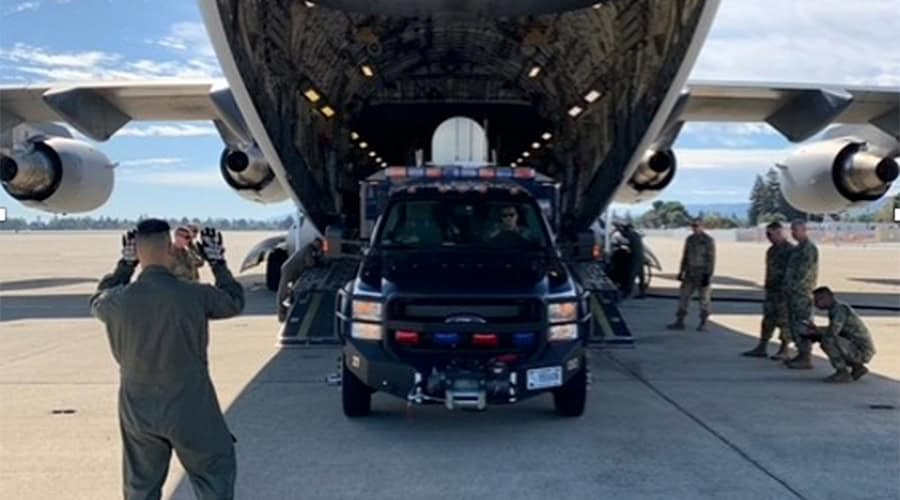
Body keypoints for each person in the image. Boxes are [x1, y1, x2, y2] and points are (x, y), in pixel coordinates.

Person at [90, 220, 244, 500]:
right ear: (170, 251)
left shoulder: (115, 302)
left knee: (140, 487)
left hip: (138, 409)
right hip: (190, 405)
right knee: (213, 475)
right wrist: (218, 262)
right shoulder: (194, 295)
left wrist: (124, 266)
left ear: (136, 251)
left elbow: (97, 299)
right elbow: (234, 301)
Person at [796, 287, 876, 382]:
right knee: (827, 338)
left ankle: (842, 372)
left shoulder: (839, 309)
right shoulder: (835, 309)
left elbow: (833, 332)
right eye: (816, 301)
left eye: (820, 300)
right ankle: (857, 367)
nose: (817, 304)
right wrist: (816, 330)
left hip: (862, 350)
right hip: (855, 346)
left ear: (830, 297)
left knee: (828, 341)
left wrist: (817, 333)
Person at [742, 221, 795, 359]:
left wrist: (788, 289)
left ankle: (784, 349)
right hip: (772, 290)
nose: (768, 237)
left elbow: (793, 273)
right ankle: (762, 346)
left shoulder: (791, 251)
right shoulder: (771, 250)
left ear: (779, 233)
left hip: (784, 292)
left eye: (770, 234)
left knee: (784, 320)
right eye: (767, 234)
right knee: (768, 319)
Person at [667, 218, 715, 331]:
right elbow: (685, 256)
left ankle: (703, 323)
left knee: (704, 299)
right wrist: (681, 271)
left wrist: (708, 275)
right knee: (683, 297)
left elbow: (711, 259)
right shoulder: (689, 239)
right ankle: (680, 321)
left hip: (702, 272)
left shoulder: (708, 240)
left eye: (697, 226)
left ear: (702, 226)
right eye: (693, 226)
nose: (695, 228)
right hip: (689, 273)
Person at [783, 219, 819, 369]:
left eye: (796, 230)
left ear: (804, 230)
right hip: (794, 293)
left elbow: (803, 273)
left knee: (803, 324)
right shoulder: (798, 248)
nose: (793, 233)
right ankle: (801, 354)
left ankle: (806, 357)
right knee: (795, 324)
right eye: (792, 230)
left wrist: (792, 287)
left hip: (801, 293)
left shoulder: (808, 249)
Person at [276, 238, 324, 323]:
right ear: (316, 243)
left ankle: (290, 308)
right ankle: (281, 314)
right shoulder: (308, 249)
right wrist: (319, 258)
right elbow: (310, 263)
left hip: (296, 270)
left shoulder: (309, 248)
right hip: (289, 269)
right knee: (283, 291)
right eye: (319, 245)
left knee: (294, 289)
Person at [621, 223, 645, 298]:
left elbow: (624, 236)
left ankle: (627, 292)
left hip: (635, 258)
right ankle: (642, 293)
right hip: (641, 257)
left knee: (631, 275)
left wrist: (619, 229)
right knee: (641, 276)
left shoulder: (631, 235)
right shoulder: (636, 234)